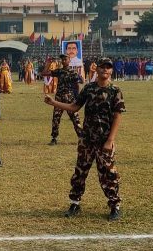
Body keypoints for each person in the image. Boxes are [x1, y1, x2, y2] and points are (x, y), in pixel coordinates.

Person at [44, 57, 124, 221]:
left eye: (108, 68)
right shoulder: (89, 88)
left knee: (109, 174)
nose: (105, 70)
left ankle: (114, 206)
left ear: (111, 71)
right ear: (97, 70)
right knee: (80, 172)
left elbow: (117, 117)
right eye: (102, 67)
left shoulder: (115, 90)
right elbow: (74, 107)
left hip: (104, 140)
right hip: (87, 139)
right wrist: (54, 103)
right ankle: (74, 203)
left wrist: (110, 140)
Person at [43, 54, 84, 145]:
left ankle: (81, 138)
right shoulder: (59, 71)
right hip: (59, 99)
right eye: (62, 59)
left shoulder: (73, 72)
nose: (63, 61)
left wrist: (77, 97)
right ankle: (54, 138)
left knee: (75, 119)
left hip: (70, 99)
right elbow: (44, 73)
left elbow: (79, 84)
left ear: (69, 60)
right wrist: (47, 64)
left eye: (65, 59)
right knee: (56, 118)